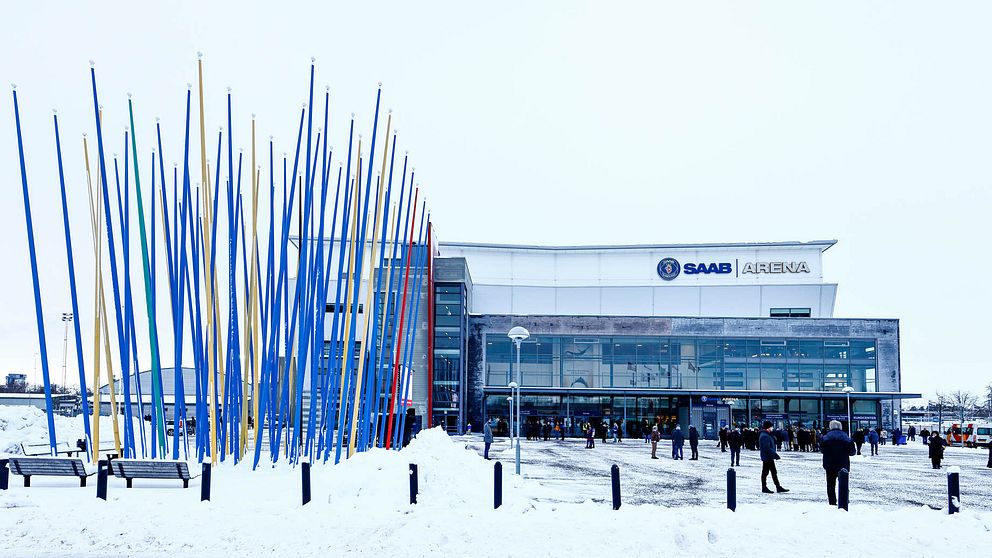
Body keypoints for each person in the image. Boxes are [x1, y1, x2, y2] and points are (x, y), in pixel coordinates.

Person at [820, 420, 856, 506]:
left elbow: (822, 450)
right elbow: (852, 452)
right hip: (843, 463)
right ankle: (844, 500)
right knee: (843, 483)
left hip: (830, 464)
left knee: (830, 484)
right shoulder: (846, 438)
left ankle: (832, 501)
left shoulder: (825, 438)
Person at [759, 421, 789, 494]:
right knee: (767, 472)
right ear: (768, 428)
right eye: (771, 427)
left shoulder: (767, 435)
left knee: (772, 472)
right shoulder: (765, 436)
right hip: (767, 457)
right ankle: (766, 487)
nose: (772, 428)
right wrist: (775, 454)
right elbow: (767, 448)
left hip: (768, 457)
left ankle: (776, 487)